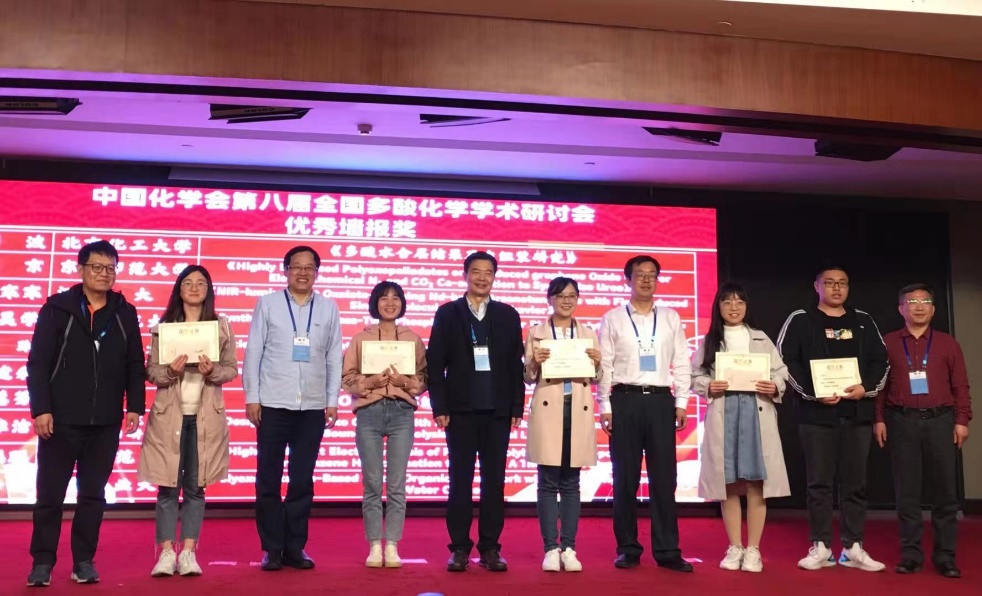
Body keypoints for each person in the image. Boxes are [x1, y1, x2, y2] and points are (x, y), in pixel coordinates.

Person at [26, 240, 146, 586]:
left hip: (105, 421)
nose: (104, 274)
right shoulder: (57, 309)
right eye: (96, 267)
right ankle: (42, 562)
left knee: (93, 496)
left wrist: (134, 406)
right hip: (60, 420)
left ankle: (83, 561)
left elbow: (135, 363)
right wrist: (41, 409)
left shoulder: (124, 312)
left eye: (110, 268)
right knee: (50, 496)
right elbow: (38, 363)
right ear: (80, 269)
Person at [777, 265, 888, 572]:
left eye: (842, 283)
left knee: (855, 484)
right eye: (829, 283)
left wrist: (865, 388)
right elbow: (785, 360)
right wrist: (814, 392)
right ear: (817, 286)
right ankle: (821, 546)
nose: (836, 288)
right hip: (816, 415)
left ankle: (853, 548)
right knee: (819, 483)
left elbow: (881, 361)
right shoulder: (800, 319)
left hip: (856, 414)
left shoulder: (863, 320)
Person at [243, 246, 343, 571]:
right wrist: (252, 397)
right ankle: (272, 548)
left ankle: (295, 547)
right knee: (268, 480)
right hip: (272, 403)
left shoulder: (328, 308)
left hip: (312, 407)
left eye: (309, 267)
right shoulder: (268, 303)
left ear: (317, 272)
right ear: (285, 270)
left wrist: (332, 400)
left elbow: (333, 356)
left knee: (302, 481)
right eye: (296, 266)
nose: (302, 272)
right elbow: (254, 351)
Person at [426, 251, 524, 573]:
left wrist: (516, 406)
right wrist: (439, 406)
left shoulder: (508, 314)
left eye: (488, 272)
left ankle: (490, 548)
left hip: (498, 412)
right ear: (465, 275)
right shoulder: (448, 313)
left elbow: (515, 364)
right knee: (460, 481)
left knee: (494, 482)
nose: (482, 278)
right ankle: (459, 548)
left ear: (495, 277)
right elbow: (435, 364)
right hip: (460, 412)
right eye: (476, 272)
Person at [139, 265, 238, 577]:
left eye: (201, 283)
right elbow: (151, 371)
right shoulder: (165, 328)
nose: (194, 288)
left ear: (209, 290)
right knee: (167, 487)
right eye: (188, 282)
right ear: (178, 289)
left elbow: (231, 369)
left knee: (196, 488)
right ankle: (167, 552)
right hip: (170, 417)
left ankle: (189, 552)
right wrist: (170, 372)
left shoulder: (221, 327)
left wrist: (213, 371)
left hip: (205, 417)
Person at [597, 255, 692, 572]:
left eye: (652, 275)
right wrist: (605, 405)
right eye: (640, 275)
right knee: (625, 478)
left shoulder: (670, 317)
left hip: (661, 401)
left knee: (665, 479)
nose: (647, 280)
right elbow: (605, 365)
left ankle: (667, 550)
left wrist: (681, 402)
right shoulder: (613, 318)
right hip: (624, 400)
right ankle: (627, 548)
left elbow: (682, 360)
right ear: (628, 280)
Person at [691, 283, 790, 573]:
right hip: (726, 413)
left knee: (756, 483)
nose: (734, 307)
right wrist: (708, 385)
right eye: (727, 302)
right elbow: (694, 375)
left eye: (739, 302)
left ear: (746, 306)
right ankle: (735, 546)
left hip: (755, 414)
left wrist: (775, 385)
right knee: (729, 484)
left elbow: (781, 372)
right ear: (718, 307)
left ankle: (753, 549)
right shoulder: (711, 340)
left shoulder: (760, 338)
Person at [874, 283, 972, 579]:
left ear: (933, 309)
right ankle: (911, 554)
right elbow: (879, 387)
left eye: (925, 302)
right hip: (901, 421)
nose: (918, 306)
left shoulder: (947, 343)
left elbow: (961, 385)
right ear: (901, 308)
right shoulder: (888, 343)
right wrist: (879, 419)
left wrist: (962, 420)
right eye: (912, 302)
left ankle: (945, 556)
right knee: (907, 492)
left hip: (941, 421)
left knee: (946, 493)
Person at [342, 281, 427, 569]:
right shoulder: (361, 338)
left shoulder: (412, 339)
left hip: (402, 413)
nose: (390, 303)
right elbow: (347, 378)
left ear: (402, 303)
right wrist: (369, 382)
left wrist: (406, 382)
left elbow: (424, 379)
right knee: (372, 482)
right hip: (369, 412)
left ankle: (392, 544)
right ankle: (374, 545)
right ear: (374, 303)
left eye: (395, 298)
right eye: (383, 298)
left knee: (396, 484)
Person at [524, 277, 600, 573]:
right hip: (549, 410)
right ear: (550, 299)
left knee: (571, 483)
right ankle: (550, 548)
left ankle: (569, 547)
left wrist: (597, 362)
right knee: (547, 482)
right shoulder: (537, 333)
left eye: (571, 296)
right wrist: (535, 361)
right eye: (560, 296)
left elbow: (596, 377)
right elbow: (528, 377)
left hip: (577, 410)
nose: (566, 301)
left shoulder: (588, 334)